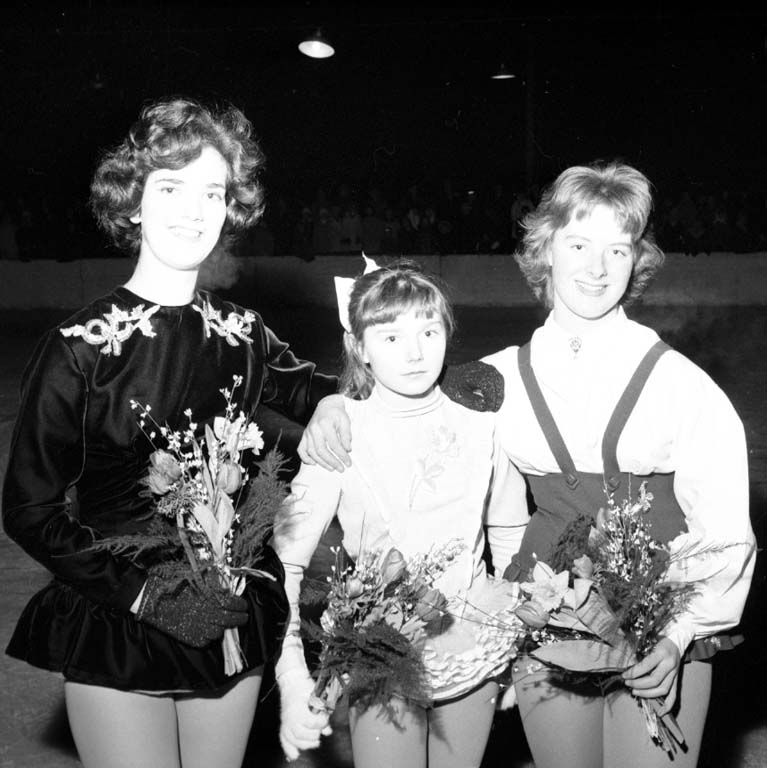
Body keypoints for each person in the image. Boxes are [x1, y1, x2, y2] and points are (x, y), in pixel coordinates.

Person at [297, 161, 756, 768]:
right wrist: (333, 403)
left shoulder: (682, 385)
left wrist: (678, 635)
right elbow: (392, 392)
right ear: (546, 250)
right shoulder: (494, 381)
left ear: (636, 261)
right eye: (579, 245)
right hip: (545, 623)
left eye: (617, 250)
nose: (596, 268)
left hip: (658, 629)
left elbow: (726, 528)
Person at [2, 96, 341, 768]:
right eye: (170, 188)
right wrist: (142, 595)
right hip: (120, 619)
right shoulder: (79, 349)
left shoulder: (241, 332)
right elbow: (28, 510)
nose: (193, 210)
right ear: (132, 202)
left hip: (226, 612)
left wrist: (338, 400)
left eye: (211, 193)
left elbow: (316, 389)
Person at [272, 259, 525, 767]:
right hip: (380, 652)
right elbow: (285, 565)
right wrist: (292, 676)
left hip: (472, 649)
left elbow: (509, 530)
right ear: (359, 347)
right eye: (390, 338)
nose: (414, 353)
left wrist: (518, 646)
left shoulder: (481, 425)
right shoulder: (340, 434)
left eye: (429, 332)